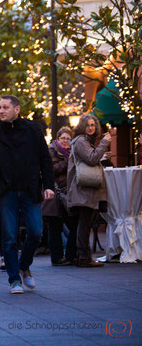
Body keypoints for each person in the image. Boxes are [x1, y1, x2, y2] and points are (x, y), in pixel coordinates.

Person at [0, 95, 54, 294]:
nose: (1, 111)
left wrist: (48, 185)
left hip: (30, 189)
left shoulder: (33, 130)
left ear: (17, 109)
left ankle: (24, 265)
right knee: (9, 237)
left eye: (5, 107)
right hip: (7, 193)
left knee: (36, 232)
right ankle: (14, 279)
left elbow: (45, 160)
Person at [66, 114, 111, 268]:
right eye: (88, 125)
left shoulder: (84, 141)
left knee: (86, 222)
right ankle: (84, 256)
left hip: (85, 189)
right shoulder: (80, 140)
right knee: (85, 223)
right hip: (83, 189)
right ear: (82, 127)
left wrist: (101, 154)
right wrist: (104, 143)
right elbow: (91, 159)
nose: (91, 128)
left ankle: (83, 256)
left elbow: (90, 158)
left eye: (93, 125)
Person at [41, 127, 77, 266]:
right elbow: (52, 169)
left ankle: (70, 255)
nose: (65, 141)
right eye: (63, 138)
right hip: (54, 195)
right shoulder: (51, 150)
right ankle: (56, 258)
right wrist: (68, 161)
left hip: (67, 194)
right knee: (54, 226)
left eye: (68, 138)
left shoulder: (72, 152)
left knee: (74, 224)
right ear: (57, 139)